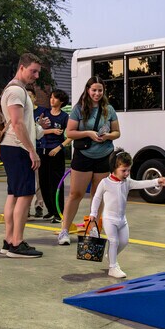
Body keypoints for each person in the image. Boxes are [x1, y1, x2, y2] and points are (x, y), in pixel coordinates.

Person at [57, 76, 121, 246]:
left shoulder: (109, 109)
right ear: (87, 90)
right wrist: (88, 133)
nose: (97, 93)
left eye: (100, 90)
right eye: (94, 90)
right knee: (75, 194)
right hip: (83, 156)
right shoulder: (79, 109)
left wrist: (108, 136)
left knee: (98, 195)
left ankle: (93, 228)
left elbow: (117, 133)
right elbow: (69, 133)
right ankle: (64, 230)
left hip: (104, 156)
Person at [89, 148, 165, 278]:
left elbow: (141, 183)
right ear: (114, 167)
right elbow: (97, 197)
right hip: (109, 219)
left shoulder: (127, 182)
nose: (127, 173)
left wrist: (156, 181)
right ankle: (113, 267)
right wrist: (93, 213)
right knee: (113, 241)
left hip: (122, 220)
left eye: (128, 170)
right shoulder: (105, 182)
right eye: (123, 170)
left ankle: (110, 256)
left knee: (124, 241)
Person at [0, 53, 43, 258]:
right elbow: (16, 124)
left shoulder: (13, 89)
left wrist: (38, 130)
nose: (36, 75)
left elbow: (21, 124)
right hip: (18, 149)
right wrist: (32, 151)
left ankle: (9, 241)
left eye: (38, 72)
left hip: (12, 147)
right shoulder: (17, 90)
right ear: (22, 68)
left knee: (14, 195)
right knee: (25, 195)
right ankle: (17, 242)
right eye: (33, 71)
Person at [39, 89, 70, 223]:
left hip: (56, 152)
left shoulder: (64, 117)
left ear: (61, 102)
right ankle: (50, 210)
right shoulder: (44, 113)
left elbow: (70, 137)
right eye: (51, 97)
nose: (52, 100)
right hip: (43, 150)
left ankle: (59, 213)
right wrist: (46, 129)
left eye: (55, 98)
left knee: (56, 183)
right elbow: (38, 131)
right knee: (43, 182)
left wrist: (59, 147)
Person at [27, 85, 49, 219]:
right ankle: (26, 208)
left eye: (30, 96)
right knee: (27, 180)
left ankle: (39, 205)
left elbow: (46, 129)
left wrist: (40, 126)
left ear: (35, 98)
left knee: (39, 180)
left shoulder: (42, 111)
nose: (28, 98)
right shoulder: (22, 111)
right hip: (26, 150)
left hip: (39, 148)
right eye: (26, 96)